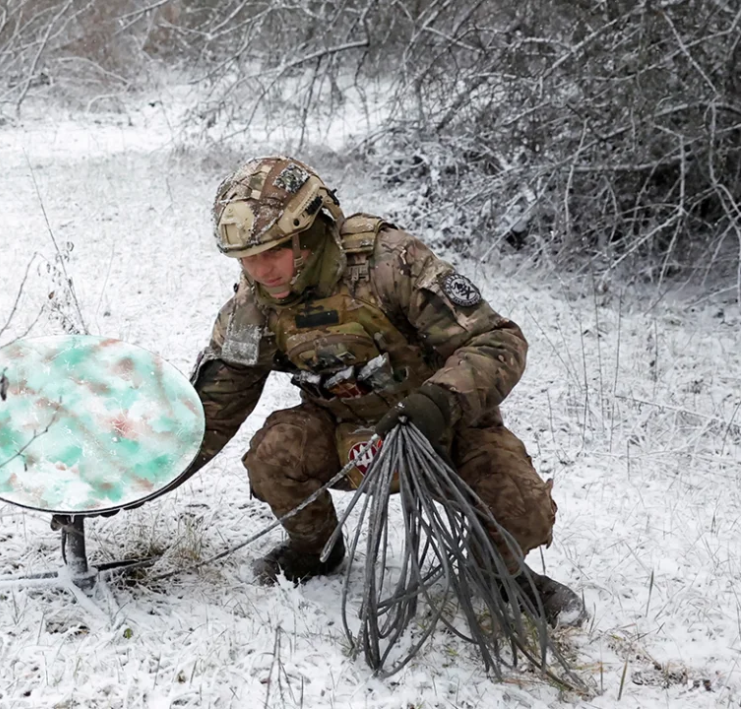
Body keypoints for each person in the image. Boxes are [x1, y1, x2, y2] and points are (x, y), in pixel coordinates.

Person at [186, 155, 585, 626]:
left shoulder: (389, 263)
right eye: (246, 260)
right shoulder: (254, 305)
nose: (260, 271)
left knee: (521, 506)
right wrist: (136, 478)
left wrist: (437, 402)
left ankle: (500, 574)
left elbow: (498, 340)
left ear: (309, 231)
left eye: (273, 252)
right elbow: (214, 407)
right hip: (345, 433)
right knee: (274, 454)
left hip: (442, 426)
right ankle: (315, 551)